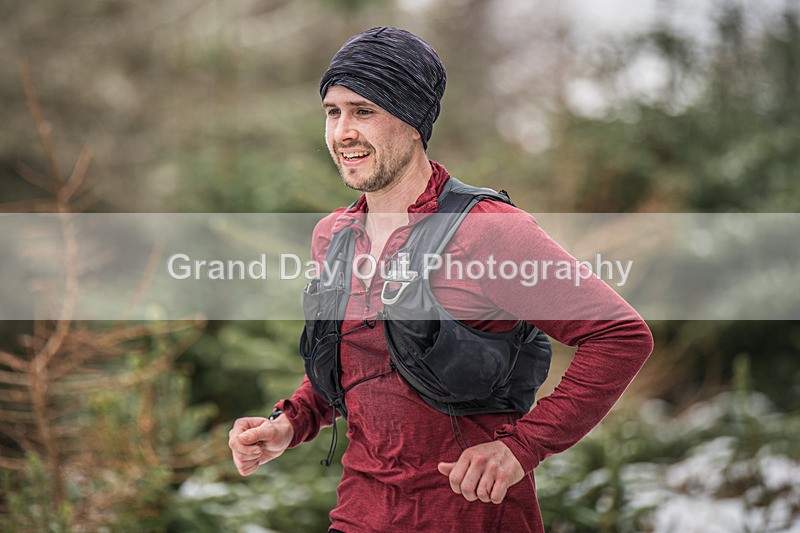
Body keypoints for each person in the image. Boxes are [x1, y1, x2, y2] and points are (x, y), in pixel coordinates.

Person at [228, 27, 653, 533]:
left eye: (364, 111)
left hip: (470, 517)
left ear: (413, 122)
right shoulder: (334, 236)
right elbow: (356, 363)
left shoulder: (487, 230)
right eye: (333, 111)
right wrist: (289, 423)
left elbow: (619, 336)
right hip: (360, 515)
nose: (342, 132)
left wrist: (524, 447)